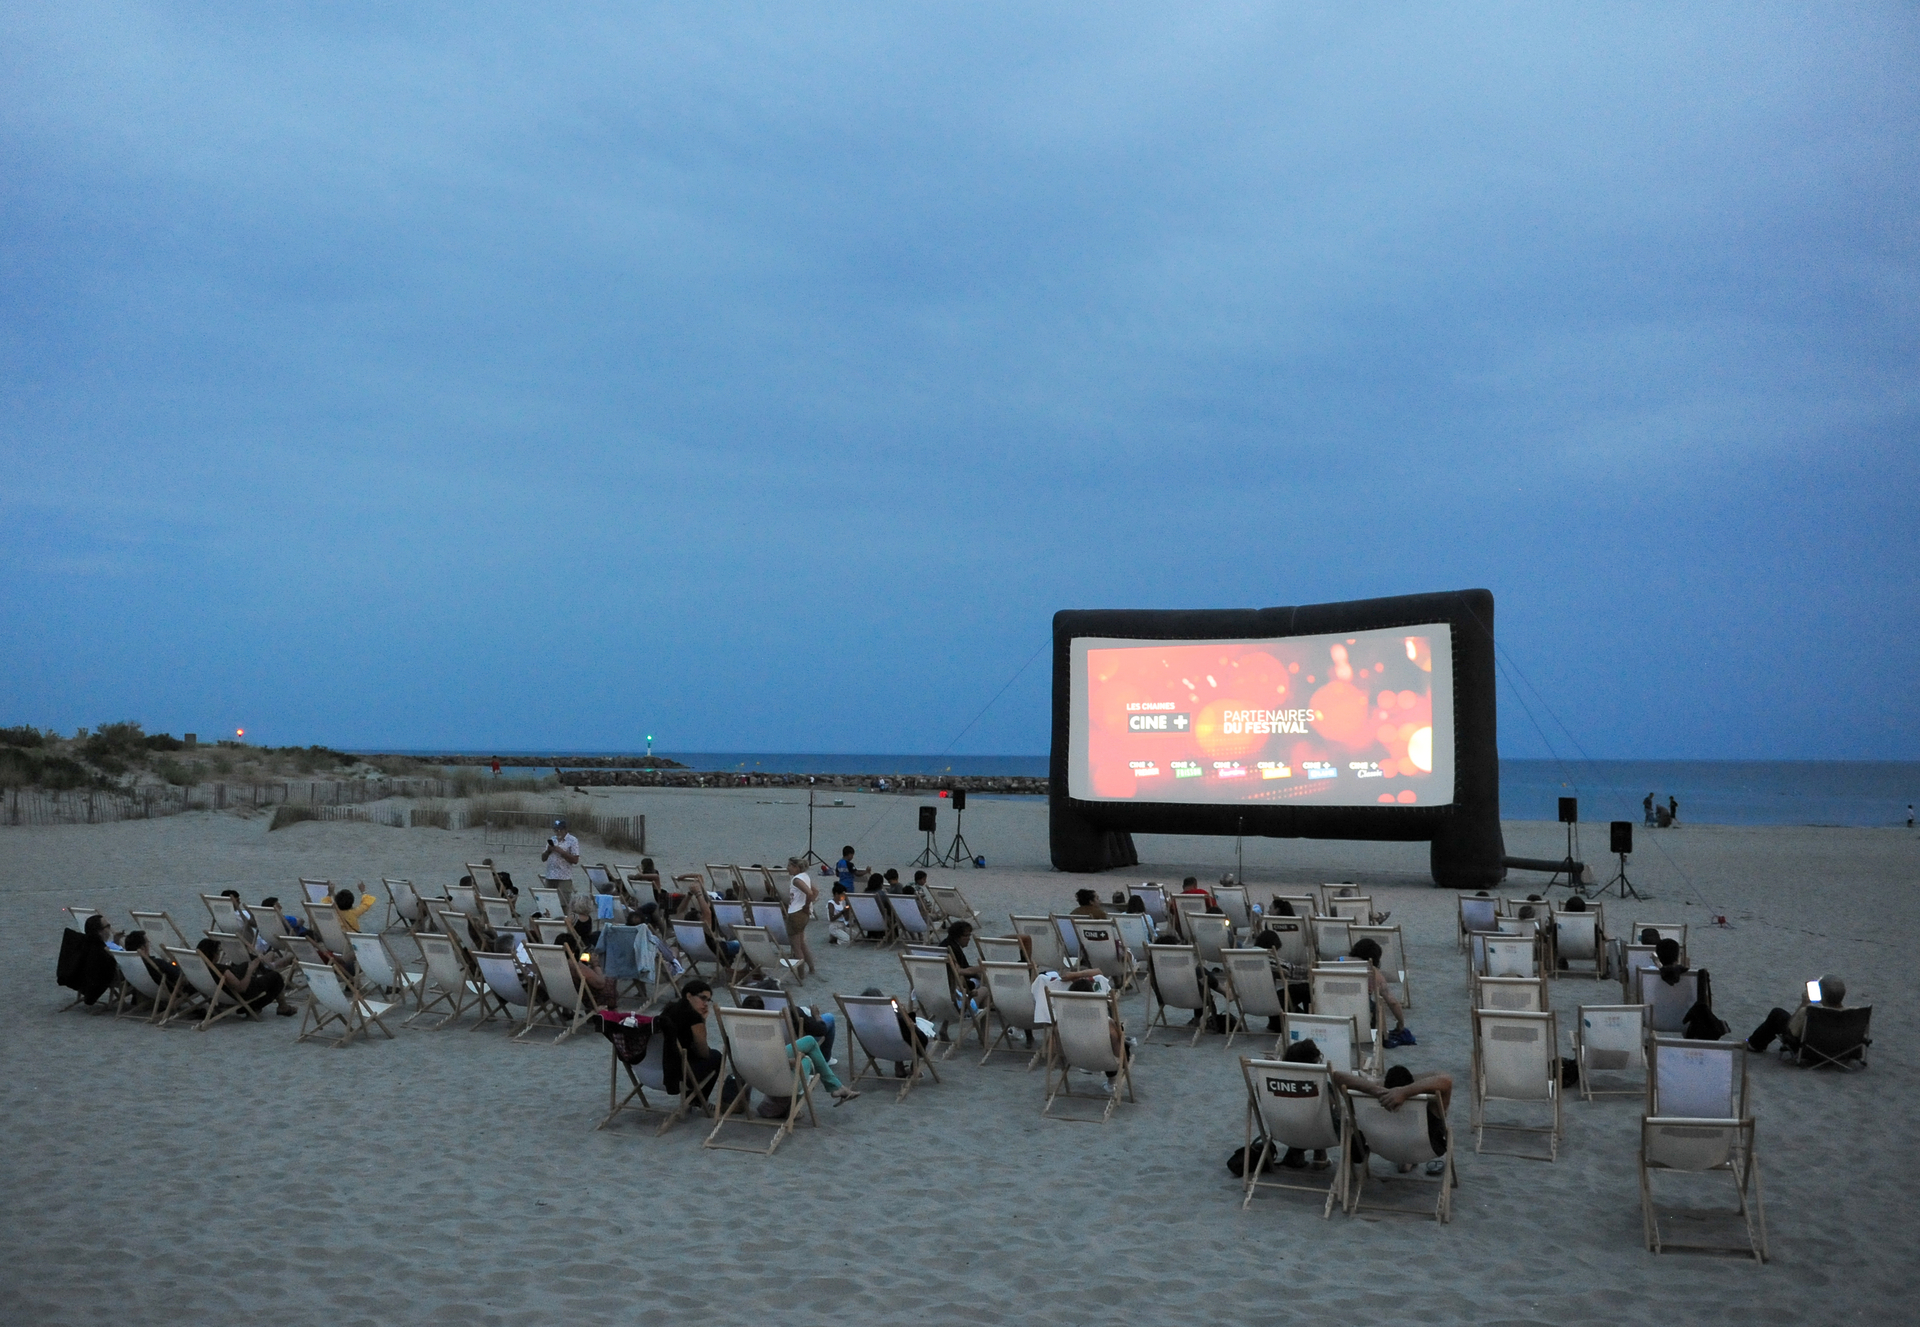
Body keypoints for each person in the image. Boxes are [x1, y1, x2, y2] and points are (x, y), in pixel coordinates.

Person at [1330, 1061, 1454, 1175]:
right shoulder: (1428, 1105)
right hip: (1423, 1149)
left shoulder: (1372, 1103)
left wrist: (1376, 1090)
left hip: (1382, 1147)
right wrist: (1405, 1092)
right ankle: (1406, 1160)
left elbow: (1337, 1076)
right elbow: (1446, 1080)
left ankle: (1405, 1160)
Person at [737, 994, 859, 1105]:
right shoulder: (765, 1032)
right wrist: (791, 1061)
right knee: (806, 1059)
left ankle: (837, 1087)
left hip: (753, 1079)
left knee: (809, 1042)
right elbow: (772, 1062)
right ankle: (835, 1087)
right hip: (777, 1082)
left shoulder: (734, 1032)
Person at [656, 980, 726, 1103]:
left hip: (657, 1067)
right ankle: (697, 1102)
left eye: (708, 1000)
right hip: (679, 1074)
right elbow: (703, 1052)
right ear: (689, 996)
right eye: (702, 998)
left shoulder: (668, 1010)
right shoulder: (693, 1017)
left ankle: (693, 1100)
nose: (705, 1004)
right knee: (716, 1056)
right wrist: (702, 1021)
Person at [1747, 974, 1847, 1056]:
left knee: (1777, 1014)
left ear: (1821, 996)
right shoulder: (1854, 1014)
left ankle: (1753, 1044)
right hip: (1839, 1052)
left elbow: (1790, 1031)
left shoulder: (1810, 1013)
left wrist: (1804, 1004)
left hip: (1810, 1051)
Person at [193, 936, 295, 1016]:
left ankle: (261, 966)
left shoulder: (200, 968)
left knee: (247, 962)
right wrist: (250, 970)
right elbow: (242, 988)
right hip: (245, 993)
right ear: (214, 955)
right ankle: (283, 1007)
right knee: (276, 976)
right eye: (218, 952)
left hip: (223, 995)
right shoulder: (221, 970)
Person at [1350, 937, 1413, 1046]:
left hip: (1331, 1004)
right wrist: (1401, 1023)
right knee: (1376, 1006)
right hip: (1359, 1007)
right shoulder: (1373, 973)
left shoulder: (1337, 960)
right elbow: (1392, 1002)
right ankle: (1379, 1035)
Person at [785, 856, 820, 979]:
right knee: (802, 944)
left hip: (796, 913)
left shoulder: (796, 880)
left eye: (790, 866)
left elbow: (810, 893)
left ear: (796, 867)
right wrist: (808, 906)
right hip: (803, 915)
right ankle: (811, 968)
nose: (788, 868)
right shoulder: (805, 877)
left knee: (796, 947)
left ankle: (801, 975)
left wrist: (805, 905)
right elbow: (815, 891)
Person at [541, 818, 581, 902]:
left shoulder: (572, 840)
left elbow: (575, 860)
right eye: (555, 830)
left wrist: (562, 852)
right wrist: (548, 851)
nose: (558, 832)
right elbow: (543, 858)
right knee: (548, 901)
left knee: (563, 902)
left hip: (564, 877)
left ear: (565, 829)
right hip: (550, 875)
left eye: (560, 830)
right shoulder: (552, 839)